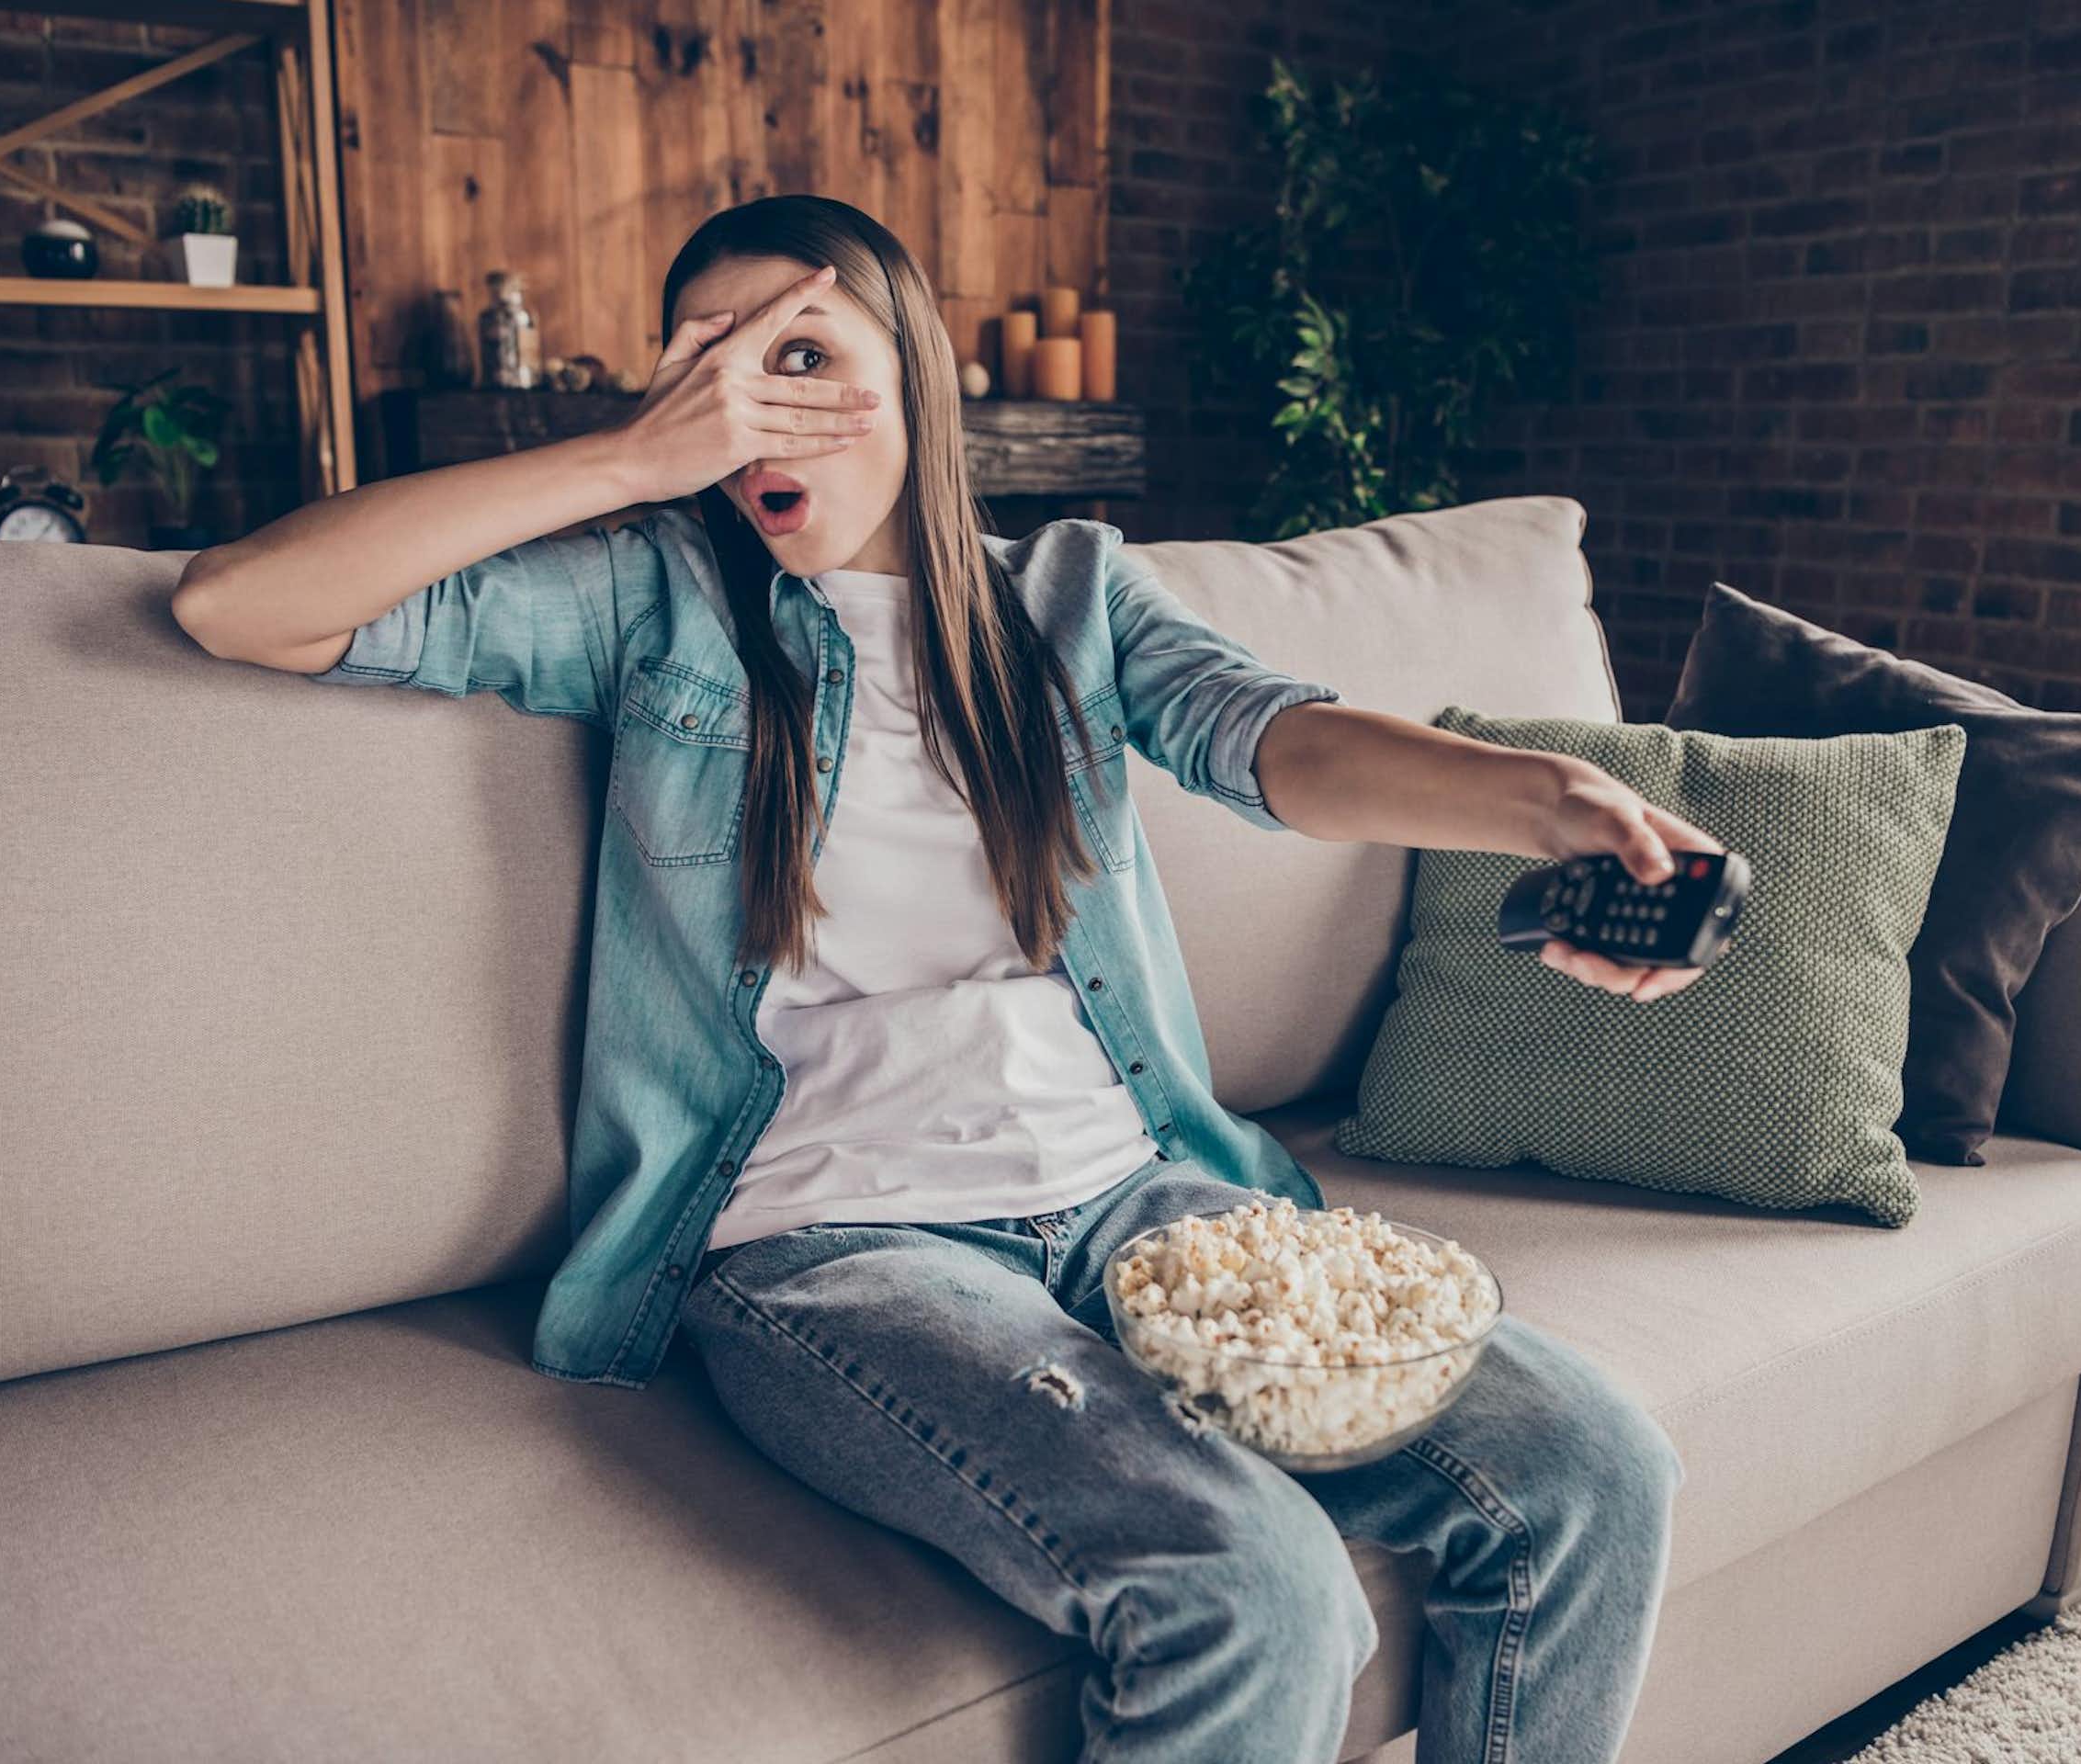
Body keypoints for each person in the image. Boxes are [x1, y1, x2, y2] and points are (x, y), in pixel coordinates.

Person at [171, 193, 1711, 1764]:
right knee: (1252, 1587)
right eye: (703, 362)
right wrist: (633, 458)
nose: (746, 403)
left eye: (798, 352)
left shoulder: (1071, 597)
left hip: (1145, 1204)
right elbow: (244, 605)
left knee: (1591, 1469)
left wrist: (1543, 800)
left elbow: (1280, 742)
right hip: (839, 1244)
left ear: (914, 369)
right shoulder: (657, 597)